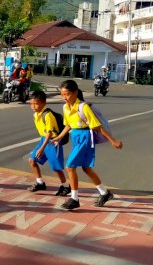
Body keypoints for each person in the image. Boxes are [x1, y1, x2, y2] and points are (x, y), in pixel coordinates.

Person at [52, 79, 123, 210]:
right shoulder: (65, 107)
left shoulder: (83, 107)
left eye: (67, 94)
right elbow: (68, 124)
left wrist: (113, 140)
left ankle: (74, 198)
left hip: (85, 138)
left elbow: (97, 126)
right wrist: (59, 137)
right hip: (76, 137)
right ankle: (104, 193)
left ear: (75, 93)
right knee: (86, 168)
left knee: (70, 167)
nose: (64, 98)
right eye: (62, 95)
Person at [27, 90, 70, 196]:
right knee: (32, 160)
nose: (33, 106)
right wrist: (41, 146)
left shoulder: (47, 115)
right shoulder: (36, 114)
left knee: (55, 167)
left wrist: (42, 148)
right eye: (31, 103)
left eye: (36, 103)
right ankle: (40, 182)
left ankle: (65, 186)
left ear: (43, 103)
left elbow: (50, 134)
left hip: (53, 142)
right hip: (44, 140)